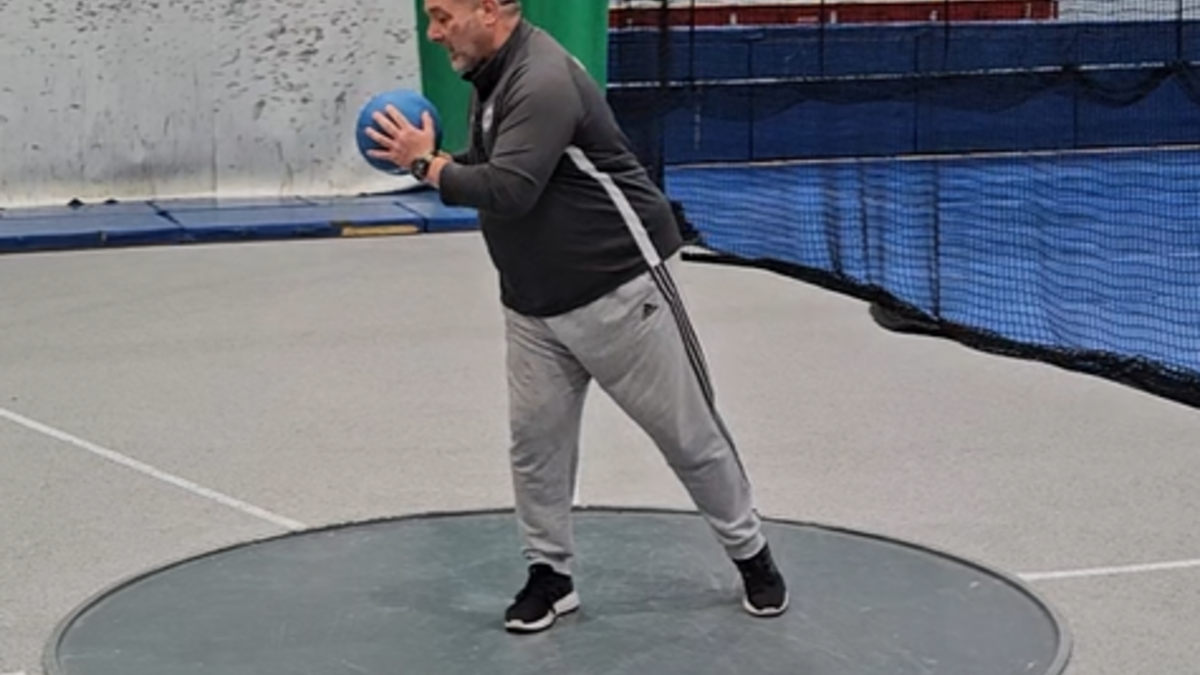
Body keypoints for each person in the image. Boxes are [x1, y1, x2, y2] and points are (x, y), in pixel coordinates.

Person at [364, 0, 788, 634]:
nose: (434, 33)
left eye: (444, 17)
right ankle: (550, 576)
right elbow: (498, 169)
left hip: (618, 289)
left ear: (489, 10)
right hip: (533, 302)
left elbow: (510, 189)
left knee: (687, 434)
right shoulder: (490, 75)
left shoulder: (541, 78)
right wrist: (442, 162)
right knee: (536, 447)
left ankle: (752, 555)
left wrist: (426, 164)